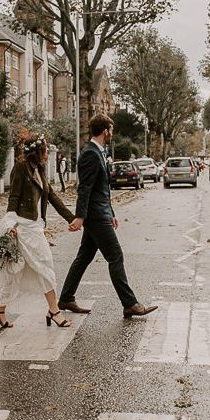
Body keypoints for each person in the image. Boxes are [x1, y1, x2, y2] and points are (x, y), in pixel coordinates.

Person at [59, 113, 158, 320]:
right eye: (111, 130)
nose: (112, 133)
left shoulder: (98, 152)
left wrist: (111, 211)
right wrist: (79, 216)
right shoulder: (90, 154)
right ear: (105, 131)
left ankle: (66, 297)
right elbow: (84, 188)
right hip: (95, 216)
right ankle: (130, 304)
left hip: (100, 212)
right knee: (115, 256)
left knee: (84, 257)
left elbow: (101, 188)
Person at [0, 132, 77, 329]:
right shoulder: (21, 168)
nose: (47, 153)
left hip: (35, 227)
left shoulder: (40, 169)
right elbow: (13, 197)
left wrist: (71, 218)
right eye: (45, 149)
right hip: (22, 228)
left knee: (18, 273)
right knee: (44, 268)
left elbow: (52, 196)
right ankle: (54, 311)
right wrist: (10, 224)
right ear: (37, 151)